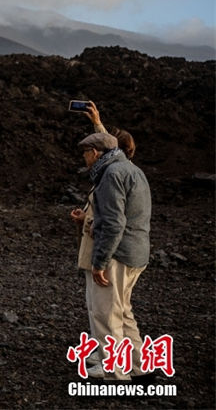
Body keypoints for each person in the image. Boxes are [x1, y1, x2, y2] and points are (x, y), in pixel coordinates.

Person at [77, 132, 151, 380]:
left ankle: (116, 376)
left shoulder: (110, 175)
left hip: (118, 254)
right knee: (122, 311)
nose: (84, 158)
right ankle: (141, 367)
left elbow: (113, 224)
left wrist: (100, 262)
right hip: (136, 252)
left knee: (106, 315)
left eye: (86, 153)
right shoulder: (130, 169)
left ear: (95, 153)